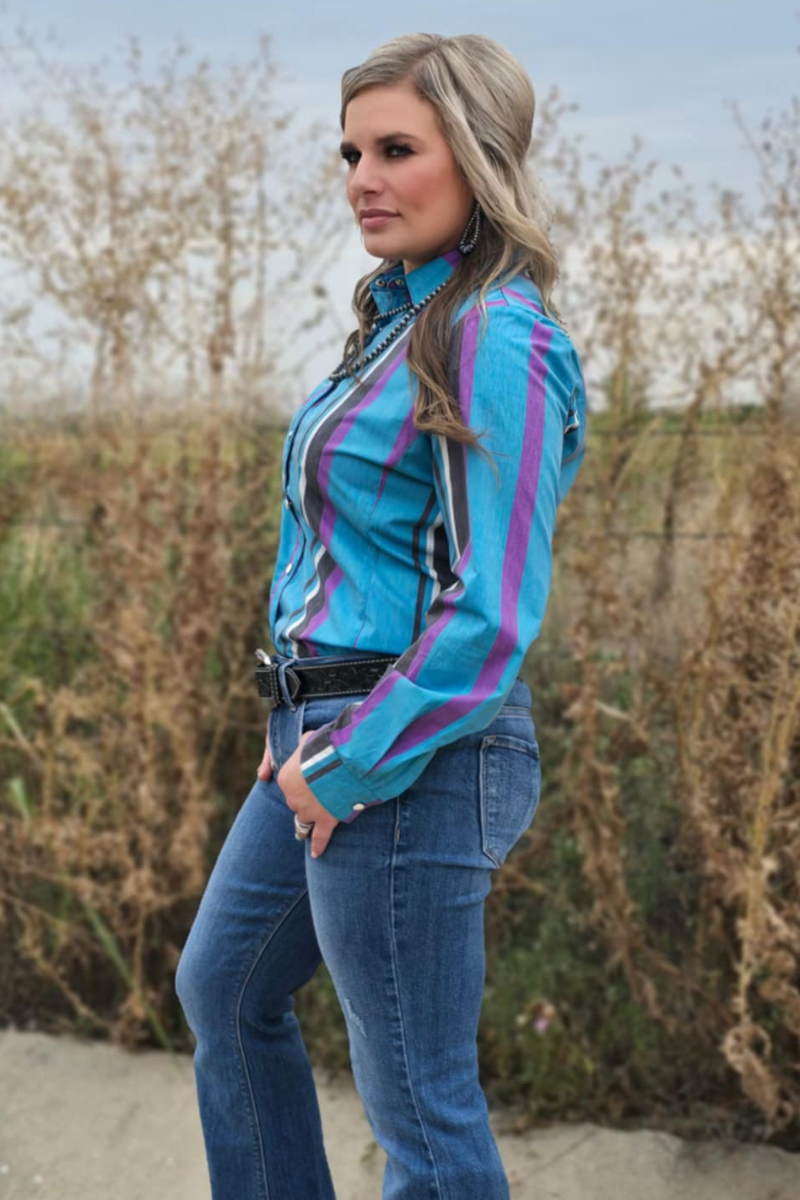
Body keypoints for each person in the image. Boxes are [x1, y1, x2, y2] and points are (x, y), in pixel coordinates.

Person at [175, 30, 588, 1200]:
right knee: (223, 991)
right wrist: (297, 721)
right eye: (350, 152)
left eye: (395, 149)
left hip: (409, 749)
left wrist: (349, 755)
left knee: (418, 1103)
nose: (362, 177)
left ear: (477, 155)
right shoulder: (399, 328)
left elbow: (492, 611)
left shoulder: (496, 337)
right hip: (321, 729)